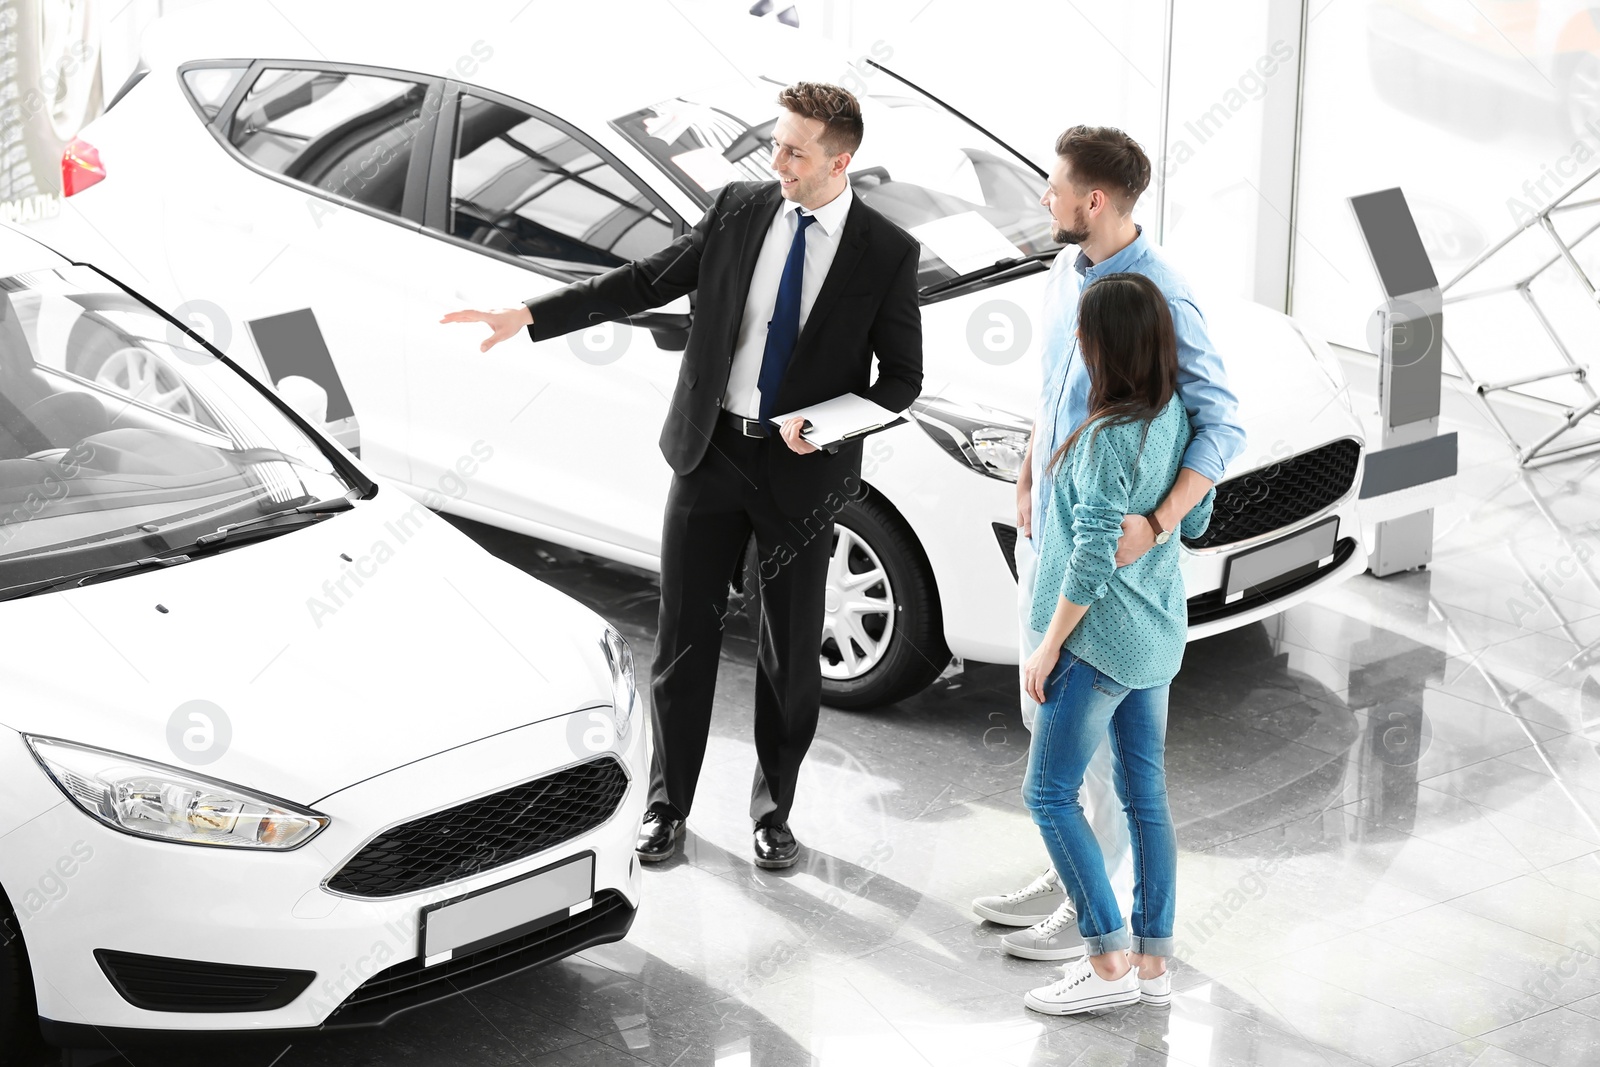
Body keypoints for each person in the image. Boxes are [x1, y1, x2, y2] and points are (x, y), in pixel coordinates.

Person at [441, 83, 923, 870]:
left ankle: (775, 813)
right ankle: (668, 806)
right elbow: (645, 279)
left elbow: (901, 379)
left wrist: (827, 423)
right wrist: (530, 316)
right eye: (775, 142)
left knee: (790, 654)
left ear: (841, 159)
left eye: (795, 150)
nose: (777, 161)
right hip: (711, 455)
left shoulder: (886, 251)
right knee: (682, 643)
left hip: (801, 474)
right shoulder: (739, 208)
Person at [971, 126, 1245, 963]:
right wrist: (1026, 470)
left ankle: (1098, 912)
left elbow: (1222, 421)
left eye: (1054, 186)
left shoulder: (1159, 292)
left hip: (1105, 555)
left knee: (1090, 749)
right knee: (1052, 724)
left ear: (1094, 200)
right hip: (1054, 524)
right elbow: (1055, 385)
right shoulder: (1065, 270)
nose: (1043, 198)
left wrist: (1156, 523)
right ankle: (1074, 876)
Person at [1018, 271, 1214, 1014]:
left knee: (1047, 792)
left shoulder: (1106, 435)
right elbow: (1194, 520)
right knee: (1146, 798)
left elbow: (1091, 554)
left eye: (1085, 330)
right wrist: (1155, 522)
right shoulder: (1179, 422)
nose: (1075, 338)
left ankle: (1105, 961)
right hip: (1155, 638)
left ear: (1106, 346)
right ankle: (1154, 966)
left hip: (1095, 645)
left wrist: (1047, 647)